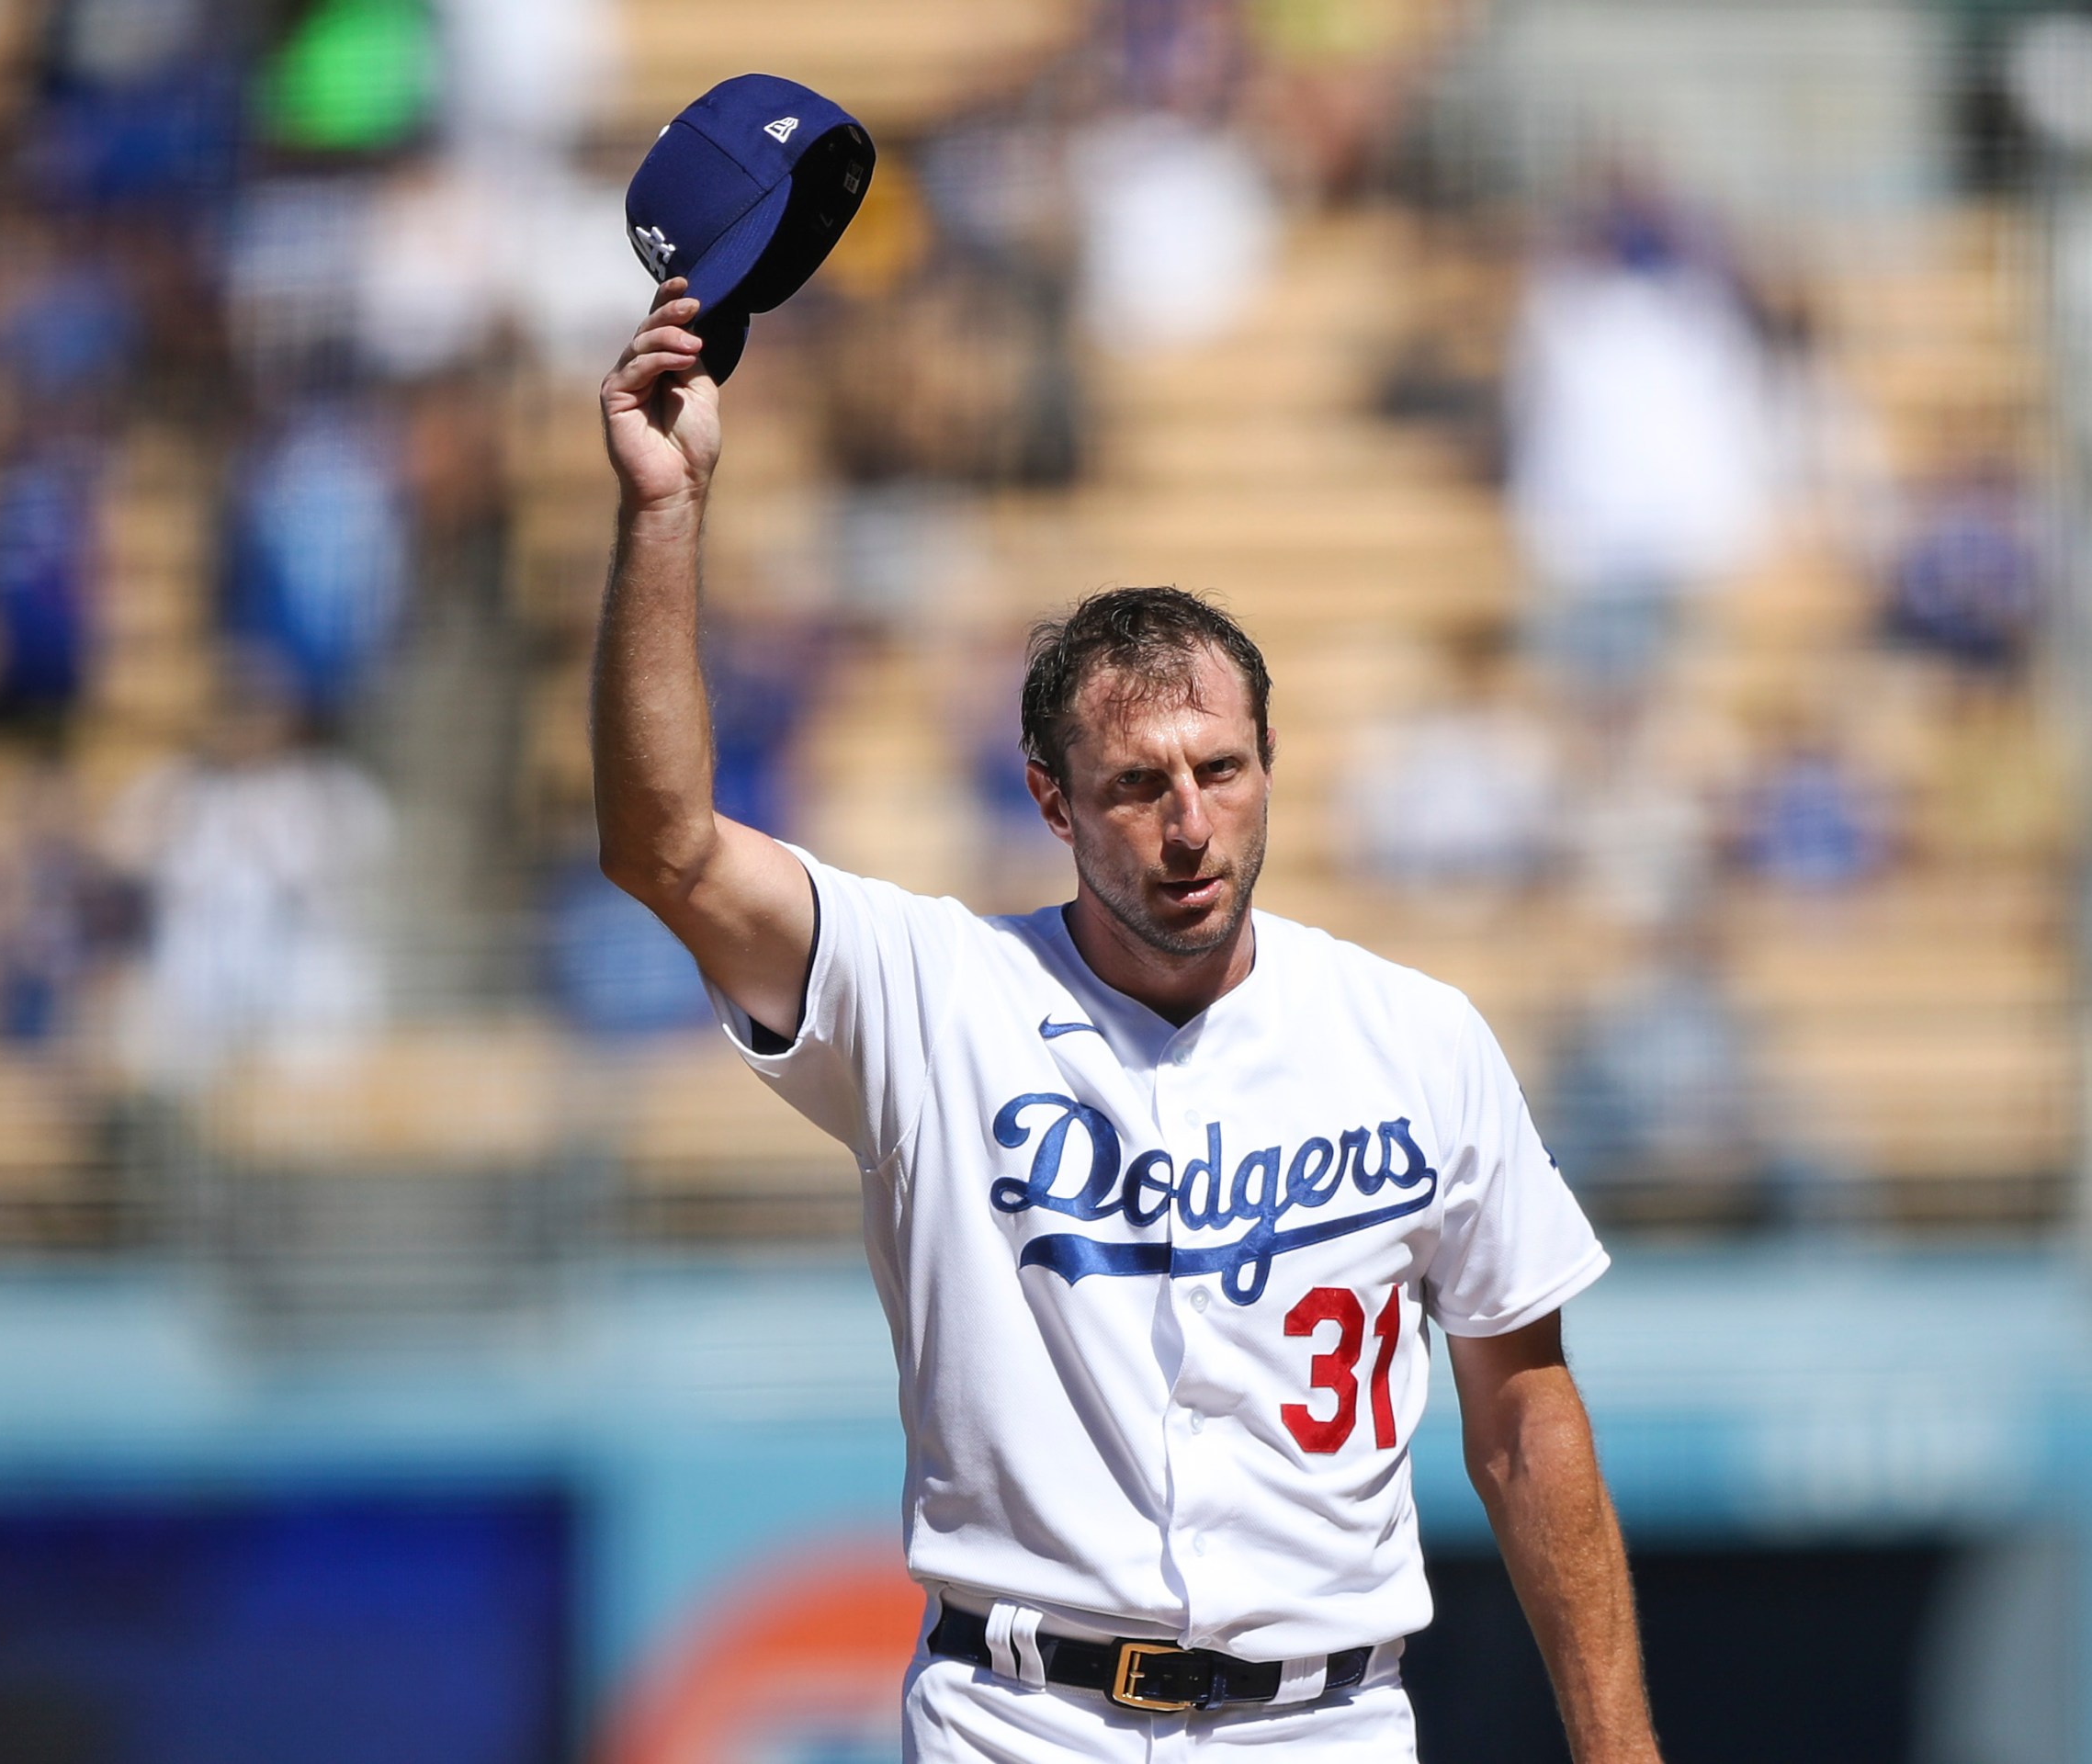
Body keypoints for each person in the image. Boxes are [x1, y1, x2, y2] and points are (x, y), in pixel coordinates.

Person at [594, 278, 1663, 1764]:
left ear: (1272, 764)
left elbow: (1526, 1420)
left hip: (1326, 1722)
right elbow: (668, 849)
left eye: (1221, 771)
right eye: (1136, 785)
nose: (1188, 825)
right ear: (1050, 800)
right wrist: (664, 514)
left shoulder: (1416, 1037)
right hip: (1022, 1717)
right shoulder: (937, 995)